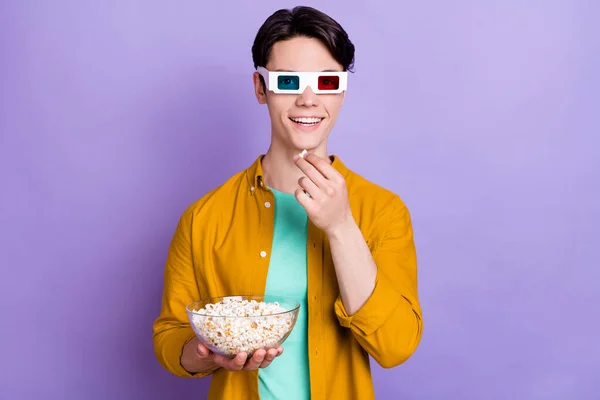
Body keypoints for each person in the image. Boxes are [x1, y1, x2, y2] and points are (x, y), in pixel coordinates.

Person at [152, 5, 423, 400]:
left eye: (327, 82)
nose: (309, 99)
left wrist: (341, 226)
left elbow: (396, 346)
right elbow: (169, 337)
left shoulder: (382, 211)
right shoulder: (203, 217)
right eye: (290, 81)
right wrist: (207, 354)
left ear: (343, 91)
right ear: (261, 89)